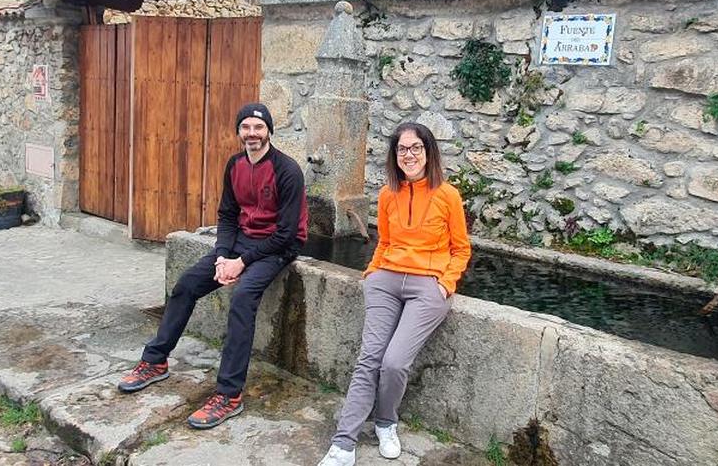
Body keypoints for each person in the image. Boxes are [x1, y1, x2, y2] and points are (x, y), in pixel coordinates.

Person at [117, 102, 308, 430]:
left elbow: (287, 234)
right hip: (239, 245)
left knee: (243, 298)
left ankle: (229, 394)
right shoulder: (234, 165)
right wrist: (222, 256)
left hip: (278, 249)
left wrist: (241, 262)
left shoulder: (287, 171)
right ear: (238, 132)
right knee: (186, 285)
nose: (252, 134)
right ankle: (155, 361)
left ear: (269, 132)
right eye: (246, 127)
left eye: (258, 128)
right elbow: (227, 216)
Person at [318, 122, 471, 465]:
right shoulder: (388, 194)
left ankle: (386, 422)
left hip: (428, 286)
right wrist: (373, 271)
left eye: (416, 147)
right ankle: (343, 445)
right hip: (385, 280)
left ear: (428, 151)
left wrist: (446, 283)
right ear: (394, 155)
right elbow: (384, 241)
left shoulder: (448, 195)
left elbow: (461, 250)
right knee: (368, 359)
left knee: (394, 362)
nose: (409, 155)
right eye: (402, 149)